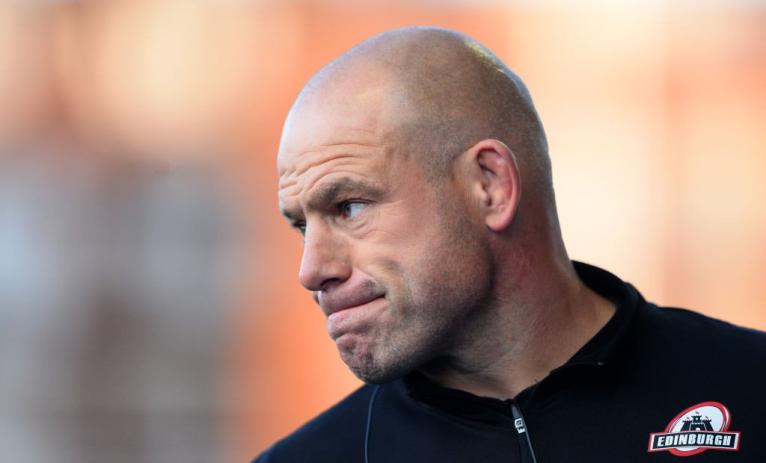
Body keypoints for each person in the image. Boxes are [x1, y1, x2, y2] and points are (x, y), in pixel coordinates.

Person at [255, 26, 766, 462]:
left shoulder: (749, 388)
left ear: (490, 185)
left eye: (348, 206)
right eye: (302, 226)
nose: (310, 270)